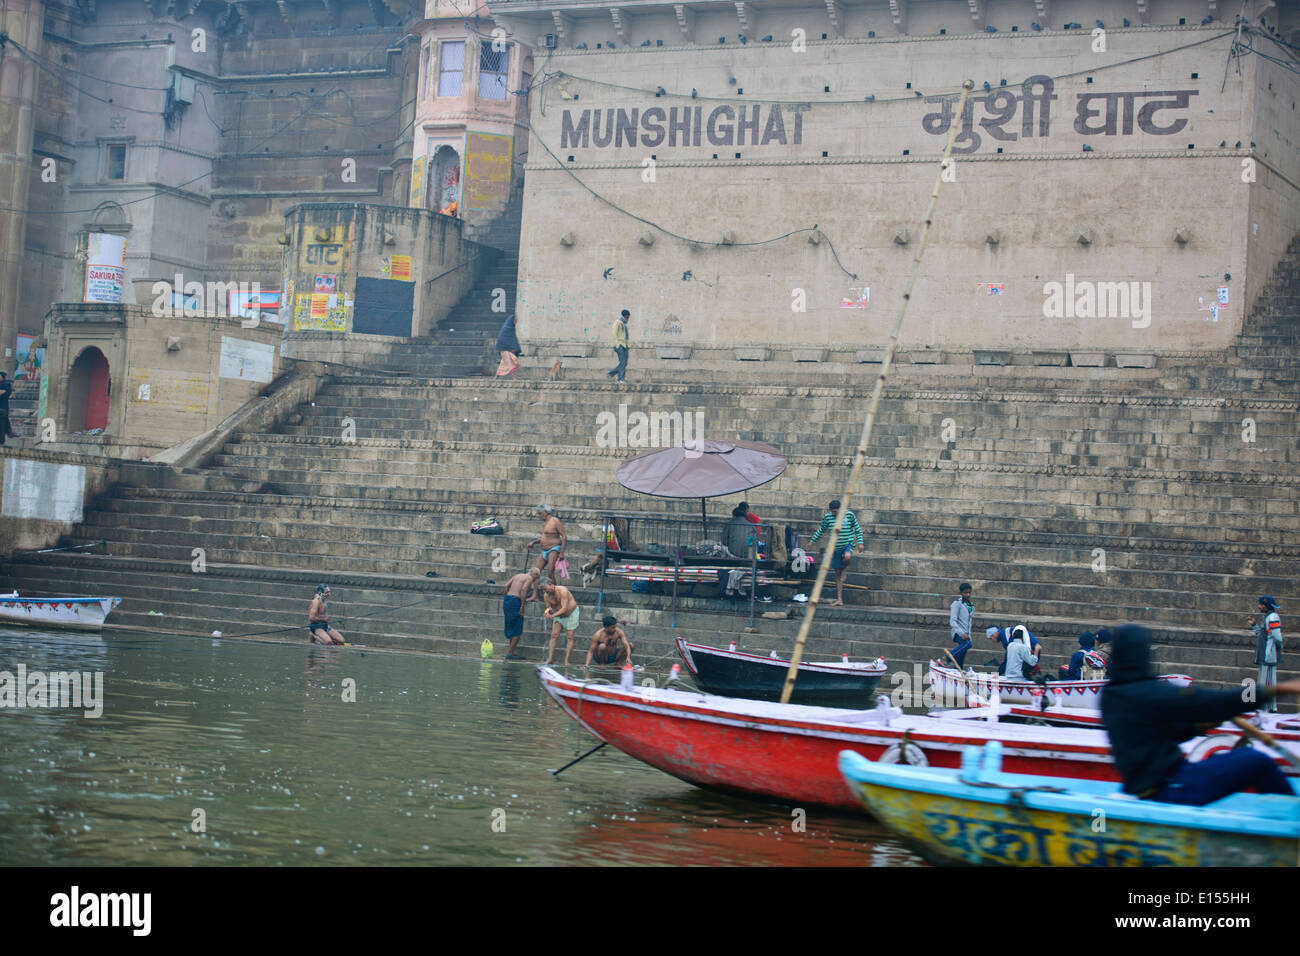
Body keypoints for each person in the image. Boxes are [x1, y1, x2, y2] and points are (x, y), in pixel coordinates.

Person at [1101, 623, 1300, 805]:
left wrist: (1202, 726)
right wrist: (1281, 688)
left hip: (1147, 787)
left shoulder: (1110, 696)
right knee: (1257, 761)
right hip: (1171, 789)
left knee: (1246, 755)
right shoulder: (1149, 692)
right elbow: (1220, 702)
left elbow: (1159, 736)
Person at [809, 498, 864, 607]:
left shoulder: (849, 515)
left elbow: (857, 529)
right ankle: (839, 599)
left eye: (835, 511)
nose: (833, 513)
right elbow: (821, 530)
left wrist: (860, 543)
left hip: (847, 544)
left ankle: (844, 569)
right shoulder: (828, 517)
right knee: (837, 574)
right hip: (834, 547)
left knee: (847, 557)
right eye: (832, 511)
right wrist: (812, 541)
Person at [1249, 596, 1284, 713]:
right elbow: (1262, 635)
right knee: (1263, 683)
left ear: (1266, 605)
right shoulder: (1267, 617)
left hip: (1269, 656)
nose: (1259, 607)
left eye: (1260, 604)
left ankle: (1270, 708)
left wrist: (1280, 647)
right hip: (1264, 656)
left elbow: (1277, 637)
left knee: (1268, 683)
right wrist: (1254, 625)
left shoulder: (1273, 617)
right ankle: (1263, 707)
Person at [540, 577, 580, 666]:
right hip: (558, 615)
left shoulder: (563, 590)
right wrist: (547, 612)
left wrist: (552, 615)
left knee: (569, 637)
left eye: (546, 589)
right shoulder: (546, 596)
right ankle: (550, 659)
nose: (546, 592)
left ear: (550, 585)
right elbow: (548, 607)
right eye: (543, 591)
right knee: (554, 635)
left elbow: (565, 608)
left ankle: (566, 661)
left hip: (571, 614)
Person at [502, 568, 539, 659]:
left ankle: (511, 652)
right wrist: (522, 606)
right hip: (516, 602)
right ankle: (510, 653)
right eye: (536, 578)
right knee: (517, 629)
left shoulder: (517, 575)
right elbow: (523, 590)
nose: (534, 580)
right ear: (534, 575)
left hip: (507, 600)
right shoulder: (529, 578)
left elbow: (506, 586)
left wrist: (508, 597)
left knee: (511, 626)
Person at [530, 504, 567, 580]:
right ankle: (535, 592)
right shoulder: (544, 524)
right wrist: (533, 542)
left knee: (550, 571)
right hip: (544, 550)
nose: (539, 516)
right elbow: (545, 538)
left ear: (545, 512)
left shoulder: (555, 521)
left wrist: (562, 553)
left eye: (539, 513)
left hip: (554, 548)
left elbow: (564, 536)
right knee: (535, 572)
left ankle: (555, 591)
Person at [948, 583, 974, 667]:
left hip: (966, 634)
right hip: (958, 633)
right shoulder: (957, 604)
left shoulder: (971, 606)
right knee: (968, 644)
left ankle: (958, 672)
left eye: (969, 593)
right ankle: (946, 658)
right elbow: (953, 621)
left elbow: (969, 623)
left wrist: (968, 635)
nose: (968, 595)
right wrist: (961, 633)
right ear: (961, 593)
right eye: (965, 593)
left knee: (961, 658)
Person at [608, 309, 630, 383]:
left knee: (625, 362)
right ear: (624, 316)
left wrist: (628, 345)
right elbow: (614, 333)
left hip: (625, 345)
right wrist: (617, 344)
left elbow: (626, 336)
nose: (628, 319)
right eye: (627, 317)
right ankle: (620, 379)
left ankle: (612, 373)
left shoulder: (624, 324)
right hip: (619, 345)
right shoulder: (617, 322)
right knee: (623, 362)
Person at [0, 372, 13, 445]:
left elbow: (7, 393)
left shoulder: (6, 384)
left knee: (4, 420)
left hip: (3, 405)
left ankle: (7, 433)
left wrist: (2, 392)